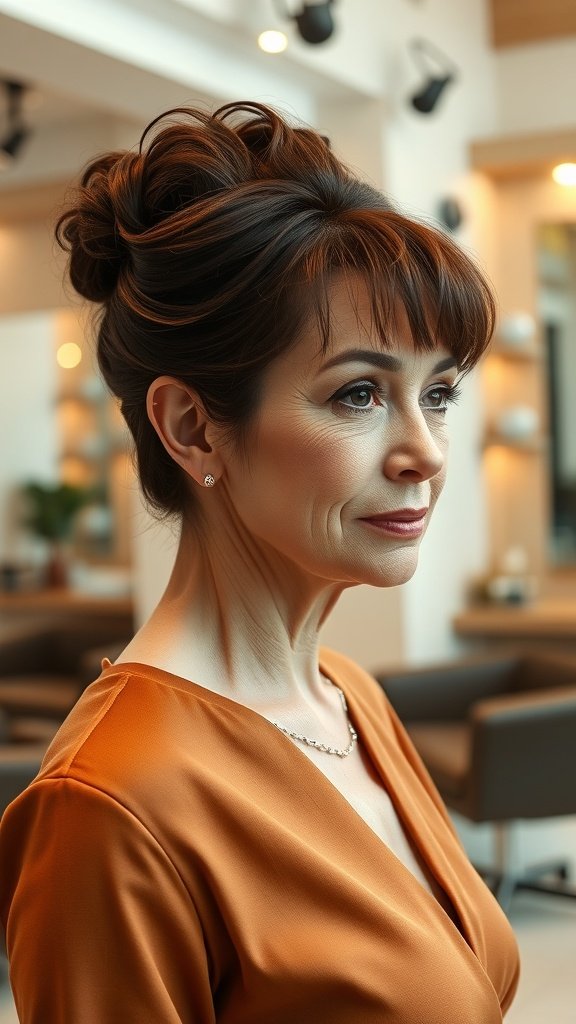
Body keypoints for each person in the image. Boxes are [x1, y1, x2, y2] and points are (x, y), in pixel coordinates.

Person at [0, 101, 519, 1022]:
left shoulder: (347, 695)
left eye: (436, 392)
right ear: (192, 426)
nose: (426, 452)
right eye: (359, 393)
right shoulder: (110, 805)